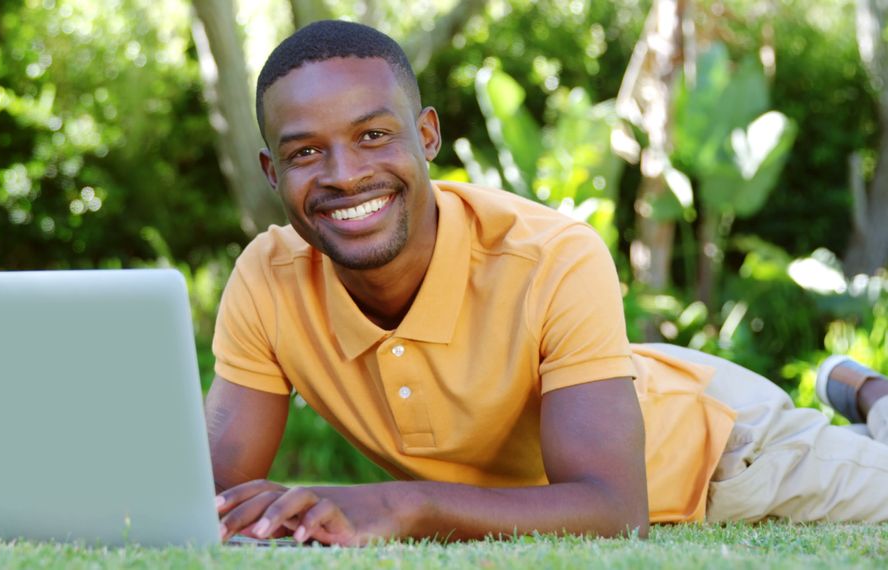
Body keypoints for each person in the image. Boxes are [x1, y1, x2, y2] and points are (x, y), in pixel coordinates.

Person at [205, 20, 888, 546]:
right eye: (305, 153)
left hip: (723, 456)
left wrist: (400, 502)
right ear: (272, 172)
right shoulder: (268, 279)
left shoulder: (551, 253)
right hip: (627, 382)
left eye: (374, 136)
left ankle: (869, 393)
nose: (345, 174)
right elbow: (208, 491)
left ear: (427, 135)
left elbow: (613, 508)